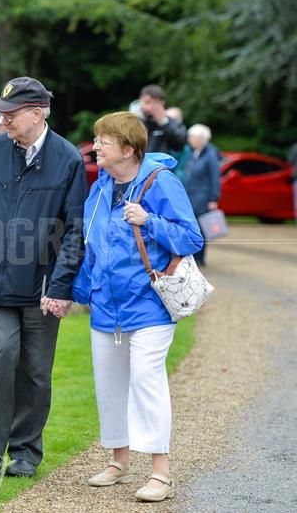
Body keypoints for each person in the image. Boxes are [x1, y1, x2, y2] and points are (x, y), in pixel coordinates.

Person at [0, 76, 87, 478]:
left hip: (42, 289)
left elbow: (74, 229)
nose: (3, 120)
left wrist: (62, 286)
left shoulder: (68, 159)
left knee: (35, 372)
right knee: (1, 357)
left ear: (38, 113)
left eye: (10, 114)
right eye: (2, 114)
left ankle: (27, 453)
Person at [72, 111, 203, 502]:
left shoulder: (161, 182)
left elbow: (191, 237)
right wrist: (78, 293)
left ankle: (160, 472)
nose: (95, 146)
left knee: (146, 380)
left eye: (103, 141)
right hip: (106, 307)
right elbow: (91, 249)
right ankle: (119, 461)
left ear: (128, 149)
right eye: (97, 140)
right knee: (110, 386)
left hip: (149, 304)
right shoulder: (99, 187)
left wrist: (148, 221)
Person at [182, 124, 221, 265]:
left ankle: (200, 257)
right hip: (191, 197)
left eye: (191, 137)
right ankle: (193, 255)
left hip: (202, 198)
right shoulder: (194, 153)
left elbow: (215, 178)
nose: (189, 139)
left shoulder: (210, 154)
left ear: (200, 138)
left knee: (200, 228)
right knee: (192, 227)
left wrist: (213, 198)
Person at [139, 85, 187, 155]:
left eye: (154, 103)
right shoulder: (137, 123)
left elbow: (180, 145)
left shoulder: (173, 123)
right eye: (147, 102)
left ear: (162, 103)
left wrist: (164, 122)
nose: (149, 107)